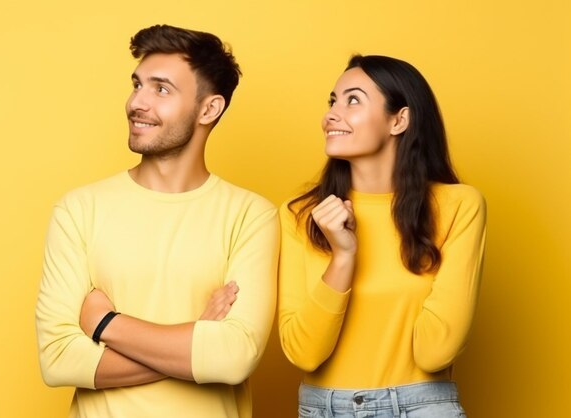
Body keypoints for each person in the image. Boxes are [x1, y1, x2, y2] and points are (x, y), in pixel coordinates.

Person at [35, 24, 279, 418]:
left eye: (161, 89)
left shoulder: (251, 215)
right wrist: (195, 337)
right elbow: (58, 358)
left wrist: (106, 324)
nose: (137, 102)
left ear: (209, 108)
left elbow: (233, 359)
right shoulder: (78, 209)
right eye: (137, 85)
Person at [278, 55, 486, 417]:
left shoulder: (457, 206)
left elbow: (435, 351)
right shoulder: (299, 215)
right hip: (324, 409)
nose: (331, 114)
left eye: (353, 100)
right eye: (332, 101)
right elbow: (303, 352)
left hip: (420, 406)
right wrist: (343, 256)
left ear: (399, 119)